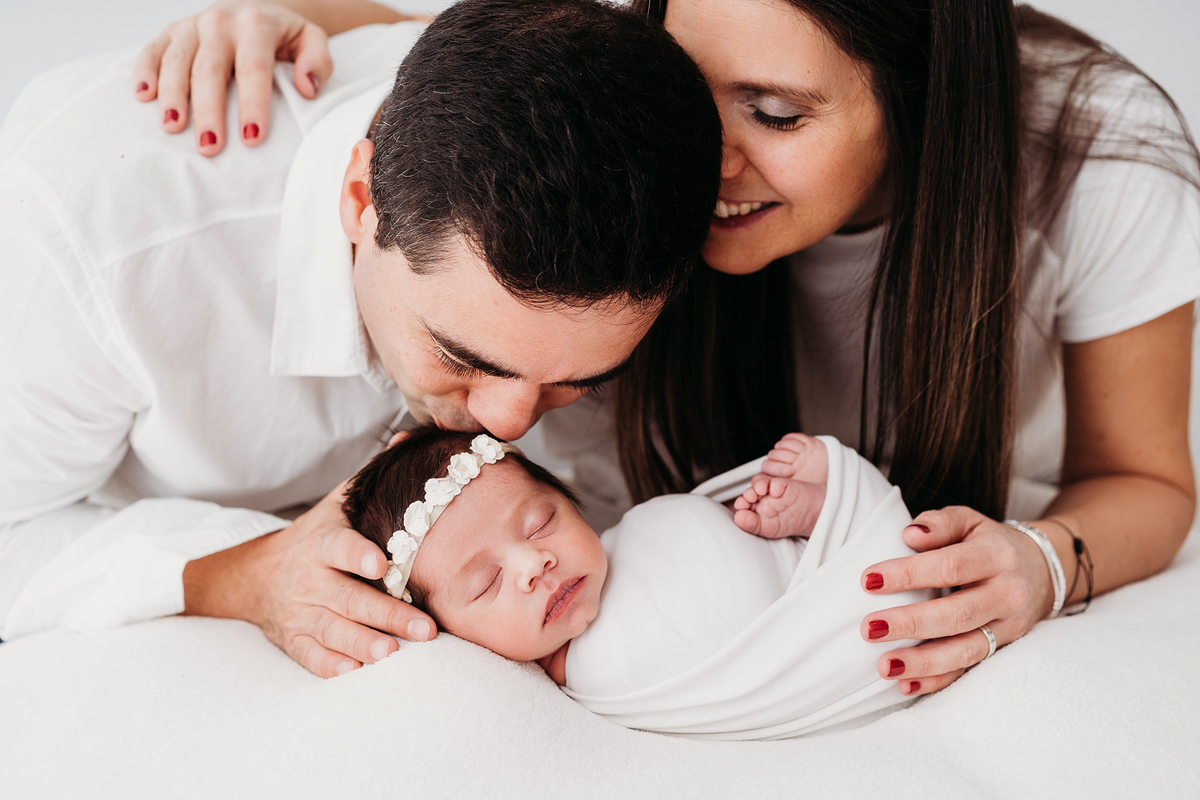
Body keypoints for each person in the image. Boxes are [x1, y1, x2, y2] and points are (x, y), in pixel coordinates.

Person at [148, 0, 1200, 696]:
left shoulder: (1096, 159)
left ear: (922, 105)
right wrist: (270, 19)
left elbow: (1145, 476)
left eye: (778, 114)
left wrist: (1043, 560)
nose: (704, 161)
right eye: (686, 94)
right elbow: (471, 62)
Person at [0, 0, 723, 679]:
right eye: (462, 357)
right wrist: (241, 572)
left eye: (578, 381)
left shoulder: (593, 142)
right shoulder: (80, 251)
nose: (508, 428)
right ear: (359, 202)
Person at [343, 425, 933, 738]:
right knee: (897, 593)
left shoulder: (643, 523)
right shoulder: (591, 681)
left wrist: (785, 527)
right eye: (486, 584)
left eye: (541, 522)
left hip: (807, 575)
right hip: (831, 645)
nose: (532, 565)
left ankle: (816, 517)